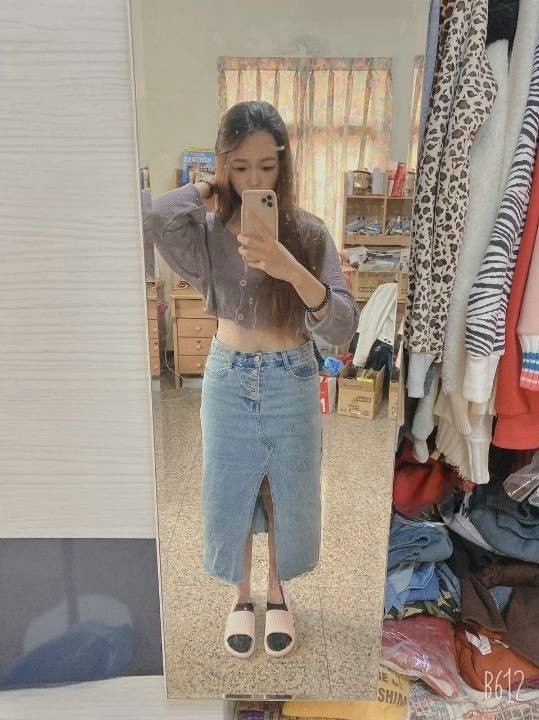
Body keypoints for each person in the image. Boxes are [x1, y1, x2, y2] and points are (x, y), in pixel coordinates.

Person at [150, 100, 359, 659]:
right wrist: (206, 189)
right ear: (223, 164)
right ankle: (241, 596)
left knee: (286, 489)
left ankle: (278, 592)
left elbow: (342, 325)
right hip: (227, 377)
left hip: (292, 376)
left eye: (267, 166)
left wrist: (290, 268)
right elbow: (153, 216)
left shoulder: (308, 232)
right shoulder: (206, 232)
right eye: (240, 167)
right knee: (232, 488)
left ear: (283, 165)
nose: (254, 180)